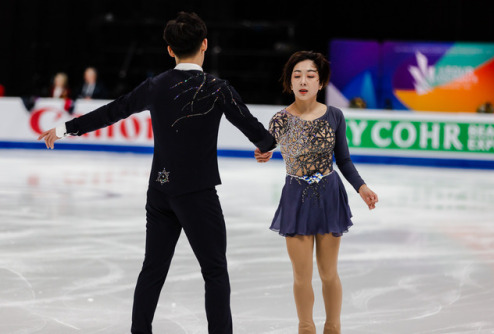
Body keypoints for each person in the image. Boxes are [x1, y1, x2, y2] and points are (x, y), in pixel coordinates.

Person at [38, 12, 276, 334]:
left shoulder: (155, 86)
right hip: (197, 194)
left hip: (160, 190)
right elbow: (258, 133)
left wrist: (65, 128)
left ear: (169, 49)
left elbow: (113, 110)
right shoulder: (217, 88)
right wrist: (266, 145)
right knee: (215, 272)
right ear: (205, 44)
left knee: (152, 270)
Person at [255, 51, 378, 334]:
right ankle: (306, 328)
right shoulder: (280, 119)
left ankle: (333, 327)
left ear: (320, 83)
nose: (303, 80)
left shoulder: (334, 115)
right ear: (289, 81)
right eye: (297, 75)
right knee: (302, 275)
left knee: (328, 272)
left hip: (329, 196)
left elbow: (344, 160)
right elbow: (266, 144)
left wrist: (362, 187)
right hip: (295, 198)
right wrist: (262, 153)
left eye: (310, 75)